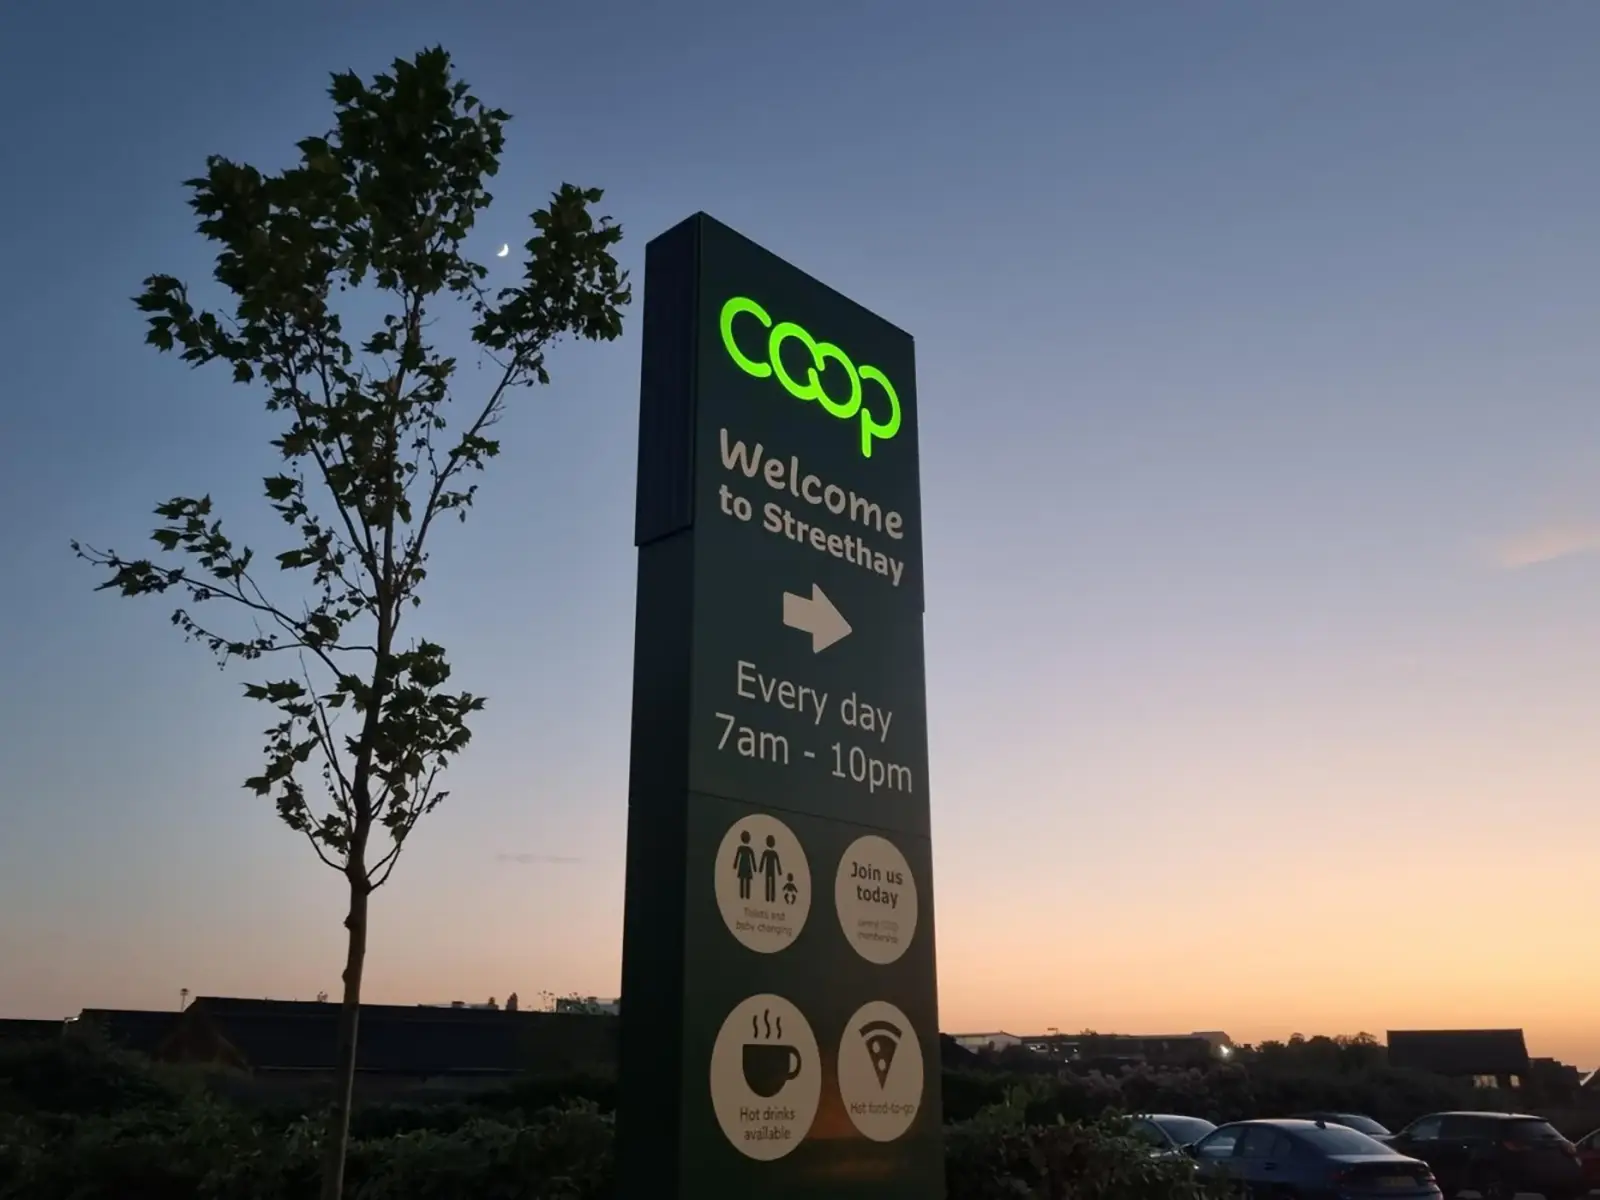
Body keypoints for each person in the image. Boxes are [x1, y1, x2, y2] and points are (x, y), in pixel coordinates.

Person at [733, 830, 757, 900]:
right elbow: (752, 859)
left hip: (742, 866)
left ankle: (743, 895)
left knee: (742, 881)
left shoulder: (741, 848)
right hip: (747, 867)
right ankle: (746, 895)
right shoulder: (749, 849)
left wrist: (735, 865)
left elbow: (737, 858)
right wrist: (755, 868)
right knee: (746, 881)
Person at [758, 834, 783, 903]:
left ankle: (768, 898)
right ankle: (772, 898)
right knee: (772, 883)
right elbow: (777, 863)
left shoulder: (766, 852)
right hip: (772, 870)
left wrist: (760, 869)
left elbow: (762, 861)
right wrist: (779, 871)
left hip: (768, 870)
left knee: (768, 883)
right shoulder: (774, 853)